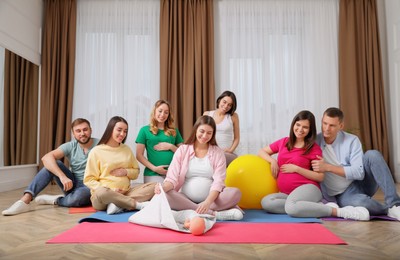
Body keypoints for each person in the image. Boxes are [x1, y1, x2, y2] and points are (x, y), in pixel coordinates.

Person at [258, 110, 369, 220]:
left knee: (291, 208)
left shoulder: (313, 148)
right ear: (293, 124)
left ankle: (339, 212)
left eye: (305, 127)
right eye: (298, 125)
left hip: (309, 188)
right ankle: (312, 207)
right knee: (267, 202)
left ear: (310, 130)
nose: (300, 129)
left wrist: (296, 169)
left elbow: (320, 177)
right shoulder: (284, 142)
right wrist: (273, 161)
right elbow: (262, 152)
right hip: (287, 193)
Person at [312, 107, 400, 220]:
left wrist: (327, 167)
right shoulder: (314, 142)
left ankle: (394, 204)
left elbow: (359, 173)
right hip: (342, 194)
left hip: (360, 183)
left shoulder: (351, 140)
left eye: (332, 125)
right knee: (361, 202)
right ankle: (387, 210)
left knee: (373, 155)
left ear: (341, 126)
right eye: (325, 123)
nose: (327, 128)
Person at [2, 118, 98, 216]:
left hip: (90, 185)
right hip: (71, 183)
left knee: (80, 196)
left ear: (91, 130)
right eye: (78, 131)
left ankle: (57, 200)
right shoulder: (70, 145)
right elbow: (46, 158)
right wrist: (62, 176)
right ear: (73, 134)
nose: (82, 133)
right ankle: (24, 200)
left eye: (85, 129)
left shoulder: (100, 144)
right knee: (52, 163)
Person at [154, 115, 243, 221]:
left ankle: (193, 211)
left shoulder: (218, 153)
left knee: (235, 193)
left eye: (209, 133)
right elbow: (172, 179)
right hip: (184, 198)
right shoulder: (182, 150)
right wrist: (162, 188)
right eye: (202, 131)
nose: (205, 136)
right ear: (196, 130)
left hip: (212, 200)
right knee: (166, 195)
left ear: (213, 134)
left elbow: (218, 182)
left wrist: (207, 202)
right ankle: (212, 213)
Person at [84, 116, 156, 215]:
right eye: (119, 130)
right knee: (102, 192)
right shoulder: (96, 151)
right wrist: (112, 191)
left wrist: (126, 172)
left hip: (126, 192)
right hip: (104, 197)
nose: (122, 134)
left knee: (155, 186)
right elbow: (89, 180)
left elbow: (136, 172)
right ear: (110, 129)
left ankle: (118, 204)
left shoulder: (126, 149)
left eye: (125, 131)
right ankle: (135, 204)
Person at [136, 99, 184, 183]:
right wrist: (155, 169)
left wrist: (171, 146)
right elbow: (139, 155)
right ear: (154, 111)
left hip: (174, 173)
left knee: (171, 195)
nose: (162, 115)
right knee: (158, 194)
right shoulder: (144, 130)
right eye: (160, 111)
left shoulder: (174, 131)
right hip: (152, 173)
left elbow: (184, 153)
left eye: (166, 112)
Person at [203, 90, 240, 166]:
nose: (226, 106)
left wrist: (230, 150)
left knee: (220, 160)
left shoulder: (233, 116)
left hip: (227, 153)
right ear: (219, 100)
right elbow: (202, 134)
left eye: (230, 105)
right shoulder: (207, 114)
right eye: (224, 102)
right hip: (210, 152)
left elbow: (237, 138)